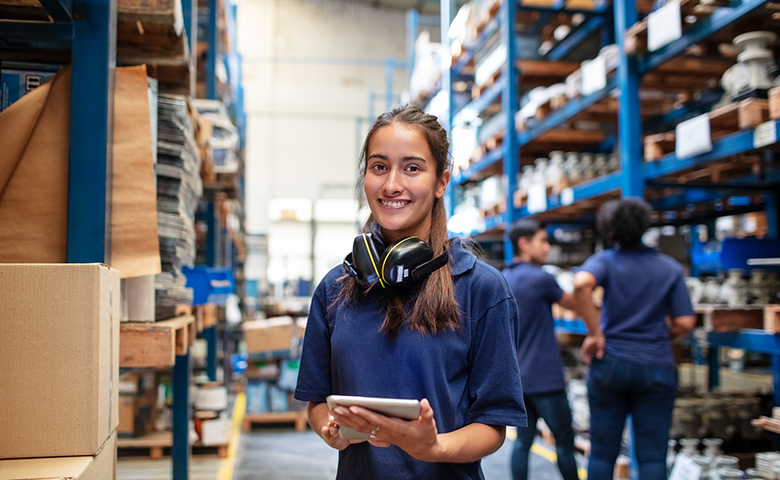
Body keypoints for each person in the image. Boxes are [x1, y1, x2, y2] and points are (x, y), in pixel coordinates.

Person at [294, 104, 527, 480]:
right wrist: (330, 429)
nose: (391, 185)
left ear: (441, 182)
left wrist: (434, 448)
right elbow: (317, 400)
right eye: (379, 166)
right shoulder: (335, 289)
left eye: (412, 168)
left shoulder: (482, 289)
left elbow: (492, 424)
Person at [573, 198, 695, 480]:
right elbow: (686, 322)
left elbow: (580, 285)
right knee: (653, 456)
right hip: (656, 364)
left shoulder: (605, 261)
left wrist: (595, 334)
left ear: (609, 228)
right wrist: (663, 338)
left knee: (602, 453)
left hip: (610, 362)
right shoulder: (668, 267)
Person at [502, 219, 580, 480]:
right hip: (545, 378)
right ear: (524, 243)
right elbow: (572, 304)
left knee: (523, 441)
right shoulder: (542, 278)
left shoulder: (503, 279)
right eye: (543, 241)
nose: (547, 247)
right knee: (565, 442)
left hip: (518, 379)